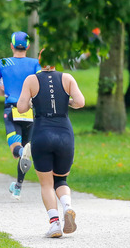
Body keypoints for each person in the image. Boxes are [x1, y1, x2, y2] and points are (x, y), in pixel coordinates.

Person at [16, 49, 86, 238]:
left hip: (41, 133)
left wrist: (32, 103)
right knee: (61, 179)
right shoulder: (67, 78)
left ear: (39, 61)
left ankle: (55, 224)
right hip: (64, 133)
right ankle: (67, 207)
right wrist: (67, 102)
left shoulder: (31, 80)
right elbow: (80, 102)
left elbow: (21, 107)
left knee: (46, 184)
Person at [0, 31, 40, 198]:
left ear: (11, 46)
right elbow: (40, 86)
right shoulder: (35, 64)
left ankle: (20, 156)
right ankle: (17, 187)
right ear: (28, 46)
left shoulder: (3, 63)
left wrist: (5, 91)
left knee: (16, 150)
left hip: (12, 108)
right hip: (30, 110)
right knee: (27, 148)